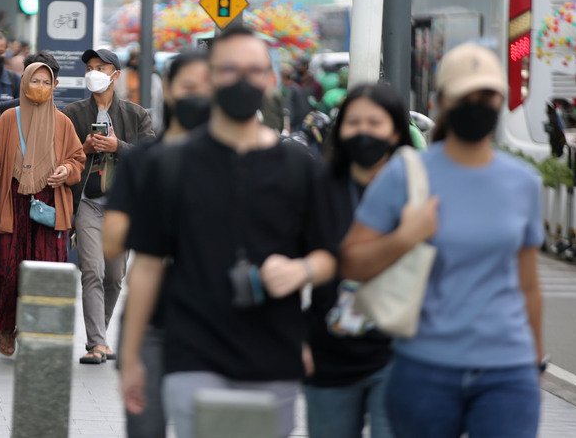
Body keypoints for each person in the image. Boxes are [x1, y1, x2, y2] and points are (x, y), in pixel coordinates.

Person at [120, 25, 338, 438]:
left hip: (275, 355)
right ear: (211, 77)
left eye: (255, 71)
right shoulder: (170, 165)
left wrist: (301, 271)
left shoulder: (301, 168)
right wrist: (132, 359)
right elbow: (146, 265)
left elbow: (329, 255)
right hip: (193, 353)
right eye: (231, 70)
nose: (244, 81)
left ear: (271, 79)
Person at [342, 43, 545, 438]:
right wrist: (405, 237)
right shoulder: (406, 175)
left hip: (507, 371)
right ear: (440, 103)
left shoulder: (523, 183)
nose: (477, 104)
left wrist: (534, 361)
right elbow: (351, 261)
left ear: (502, 99)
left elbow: (529, 286)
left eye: (487, 95)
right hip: (425, 368)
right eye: (464, 96)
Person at [104, 51, 211, 437]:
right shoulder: (146, 161)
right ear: (167, 89)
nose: (198, 96)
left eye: (208, 88)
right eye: (188, 88)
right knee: (145, 427)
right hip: (152, 323)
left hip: (214, 325)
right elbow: (113, 243)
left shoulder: (233, 162)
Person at [304, 83, 414, 438]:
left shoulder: (418, 189)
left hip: (400, 353)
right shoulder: (317, 186)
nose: (364, 132)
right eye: (354, 123)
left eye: (375, 122)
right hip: (329, 351)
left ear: (396, 131)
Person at [0, 62, 86, 357]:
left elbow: (77, 159)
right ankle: (5, 326)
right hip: (12, 203)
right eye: (34, 81)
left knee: (45, 271)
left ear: (54, 87)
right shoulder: (9, 120)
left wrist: (66, 170)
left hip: (49, 204)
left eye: (46, 82)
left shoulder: (62, 121)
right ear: (23, 84)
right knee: (9, 271)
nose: (40, 87)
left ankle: (33, 328)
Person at [63, 48, 155, 365]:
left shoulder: (135, 115)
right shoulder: (73, 113)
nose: (94, 72)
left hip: (120, 207)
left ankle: (99, 335)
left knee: (114, 277)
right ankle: (97, 343)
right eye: (89, 67)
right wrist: (84, 148)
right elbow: (62, 156)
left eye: (100, 67)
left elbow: (149, 161)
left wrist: (118, 146)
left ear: (115, 73)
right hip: (87, 203)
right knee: (92, 269)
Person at [116, 46, 164, 133]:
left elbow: (159, 102)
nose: (135, 61)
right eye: (133, 58)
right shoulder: (122, 76)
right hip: (127, 120)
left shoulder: (154, 78)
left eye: (138, 59)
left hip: (149, 121)